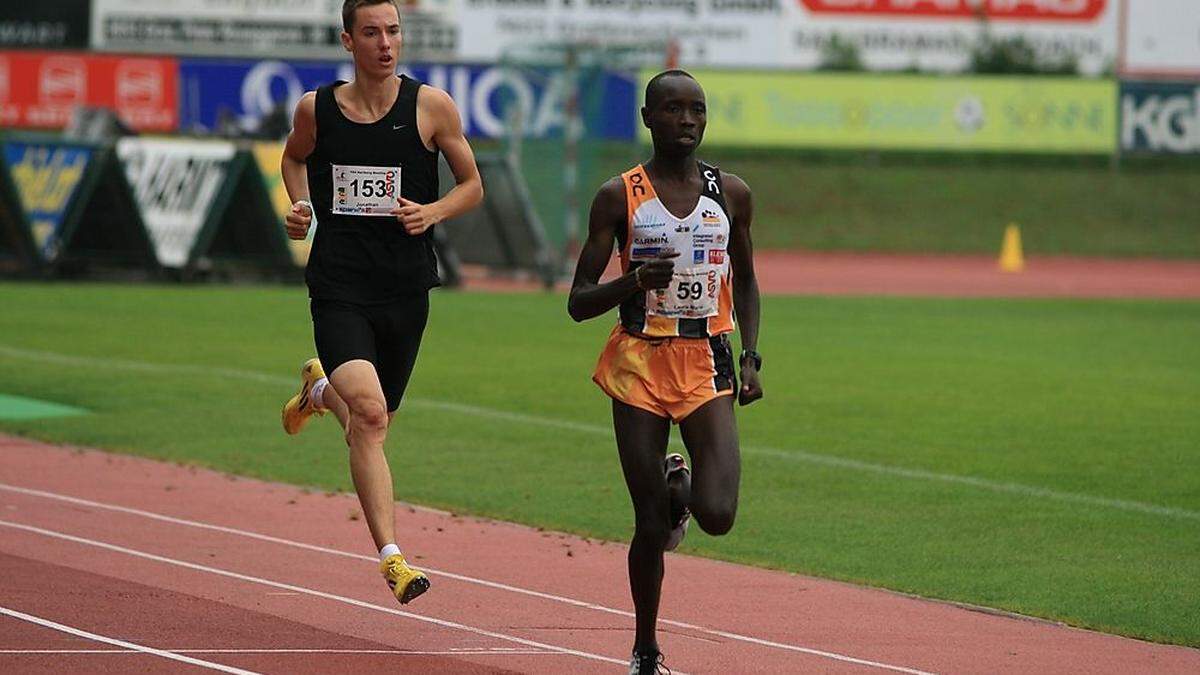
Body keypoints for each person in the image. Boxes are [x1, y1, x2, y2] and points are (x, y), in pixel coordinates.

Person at [277, 0, 483, 605]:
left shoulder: (430, 107)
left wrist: (435, 210)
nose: (386, 43)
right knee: (368, 415)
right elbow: (293, 157)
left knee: (376, 419)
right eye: (372, 32)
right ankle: (393, 557)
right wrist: (300, 206)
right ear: (348, 40)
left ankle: (319, 391)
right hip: (339, 285)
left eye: (393, 31)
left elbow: (472, 185)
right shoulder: (317, 109)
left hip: (405, 288)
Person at [568, 69, 763, 675]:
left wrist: (752, 355)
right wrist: (630, 281)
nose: (687, 120)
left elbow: (748, 280)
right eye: (674, 110)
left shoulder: (731, 192)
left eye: (697, 110)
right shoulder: (617, 195)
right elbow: (578, 300)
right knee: (647, 521)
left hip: (707, 356)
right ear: (649, 119)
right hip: (638, 360)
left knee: (718, 515)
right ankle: (646, 648)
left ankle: (682, 491)